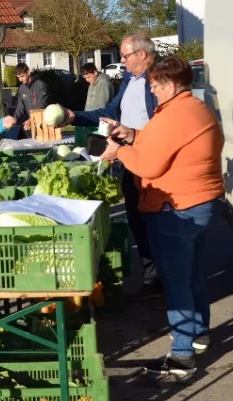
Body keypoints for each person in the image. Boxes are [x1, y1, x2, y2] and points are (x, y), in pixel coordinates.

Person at [100, 57, 223, 382]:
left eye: (154, 85)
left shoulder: (175, 115)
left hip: (176, 207)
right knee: (193, 274)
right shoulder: (195, 109)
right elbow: (166, 145)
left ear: (169, 84)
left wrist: (119, 152)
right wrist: (134, 135)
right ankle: (198, 335)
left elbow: (150, 166)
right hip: (199, 202)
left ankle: (181, 356)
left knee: (175, 281)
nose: (152, 90)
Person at [61, 32, 160, 294]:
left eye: (126, 56)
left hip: (151, 158)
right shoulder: (129, 80)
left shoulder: (159, 81)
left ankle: (163, 279)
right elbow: (109, 112)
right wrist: (75, 116)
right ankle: (152, 277)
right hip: (127, 156)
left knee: (156, 218)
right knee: (136, 216)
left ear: (142, 54)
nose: (122, 61)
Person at [11, 64, 52, 137]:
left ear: (28, 72)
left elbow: (41, 107)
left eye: (22, 76)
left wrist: (30, 120)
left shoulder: (41, 85)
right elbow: (20, 107)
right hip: (31, 126)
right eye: (18, 77)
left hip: (44, 125)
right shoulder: (22, 88)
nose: (20, 79)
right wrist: (14, 119)